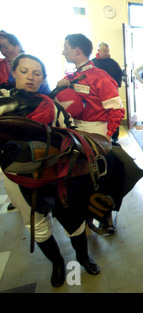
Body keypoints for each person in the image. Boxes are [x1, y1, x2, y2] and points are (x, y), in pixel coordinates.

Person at [0, 54, 100, 288]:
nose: (30, 77)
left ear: (43, 77)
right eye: (24, 71)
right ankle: (57, 263)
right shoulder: (2, 101)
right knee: (37, 223)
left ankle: (83, 258)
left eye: (36, 73)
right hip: (17, 177)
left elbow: (72, 131)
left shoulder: (51, 104)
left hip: (55, 172)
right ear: (13, 72)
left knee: (73, 218)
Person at [56, 33, 125, 232]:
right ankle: (85, 213)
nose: (63, 51)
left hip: (96, 131)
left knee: (102, 177)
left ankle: (106, 218)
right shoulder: (71, 76)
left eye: (66, 47)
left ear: (77, 51)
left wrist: (108, 136)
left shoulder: (101, 78)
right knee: (80, 177)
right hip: (75, 130)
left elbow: (116, 110)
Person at [92, 41, 124, 144]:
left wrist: (116, 85)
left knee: (114, 114)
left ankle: (115, 137)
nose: (106, 53)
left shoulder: (113, 63)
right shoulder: (93, 63)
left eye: (107, 51)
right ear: (99, 51)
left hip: (112, 94)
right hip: (98, 96)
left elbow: (120, 75)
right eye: (104, 51)